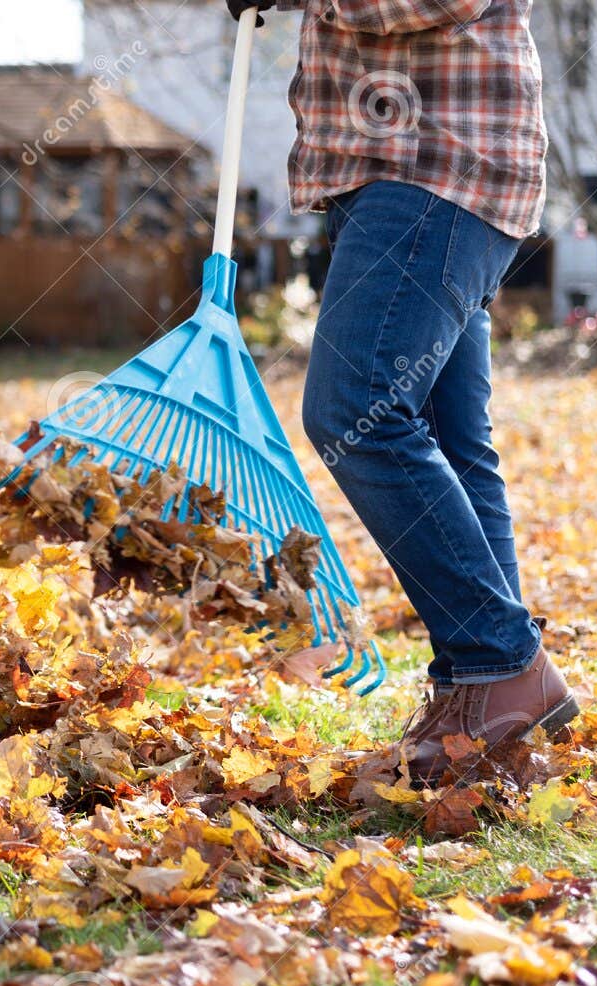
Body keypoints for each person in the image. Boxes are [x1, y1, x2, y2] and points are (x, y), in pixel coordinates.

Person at [226, 0, 576, 782]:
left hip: (438, 164)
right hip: (403, 172)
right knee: (453, 440)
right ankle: (487, 695)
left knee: (359, 410)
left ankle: (499, 660)